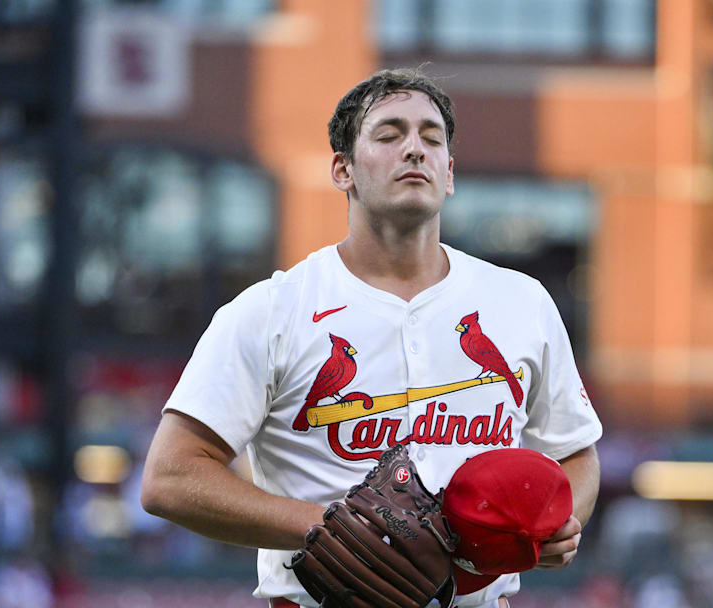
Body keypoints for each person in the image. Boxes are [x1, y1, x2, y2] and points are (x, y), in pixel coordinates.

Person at [140, 67, 602, 608]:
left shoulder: (522, 303)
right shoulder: (272, 310)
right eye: (389, 135)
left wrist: (555, 522)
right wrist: (329, 528)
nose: (414, 150)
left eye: (432, 139)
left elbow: (577, 455)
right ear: (343, 170)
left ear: (449, 174)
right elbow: (170, 477)